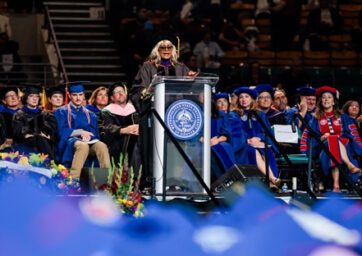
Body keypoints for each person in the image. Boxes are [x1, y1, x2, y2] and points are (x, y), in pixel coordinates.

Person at [131, 33, 197, 190]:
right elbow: (137, 89)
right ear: (157, 50)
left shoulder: (181, 68)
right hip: (154, 114)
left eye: (169, 47)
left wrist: (192, 81)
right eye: (163, 47)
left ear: (173, 50)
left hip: (175, 116)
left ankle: (175, 181)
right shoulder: (148, 67)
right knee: (154, 148)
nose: (166, 50)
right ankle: (152, 181)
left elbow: (190, 92)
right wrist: (145, 92)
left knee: (175, 148)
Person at [300, 86, 361, 192]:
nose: (326, 99)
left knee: (333, 139)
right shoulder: (315, 118)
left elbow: (353, 134)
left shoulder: (343, 117)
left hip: (344, 148)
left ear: (333, 102)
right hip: (323, 148)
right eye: (324, 97)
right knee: (331, 139)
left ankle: (336, 184)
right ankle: (348, 166)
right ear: (321, 101)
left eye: (329, 97)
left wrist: (358, 150)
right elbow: (308, 135)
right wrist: (321, 137)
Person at [54, 82, 110, 179]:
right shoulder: (61, 111)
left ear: (83, 95)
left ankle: (104, 182)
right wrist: (80, 132)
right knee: (82, 146)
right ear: (69, 95)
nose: (78, 98)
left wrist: (89, 136)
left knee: (102, 146)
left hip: (88, 141)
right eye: (75, 95)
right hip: (70, 143)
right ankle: (73, 181)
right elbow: (61, 132)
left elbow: (94, 133)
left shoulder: (90, 114)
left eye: (80, 95)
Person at [232, 86, 281, 188]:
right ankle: (272, 180)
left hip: (259, 143)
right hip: (243, 146)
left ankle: (272, 182)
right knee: (253, 151)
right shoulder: (234, 115)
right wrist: (248, 140)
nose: (244, 99)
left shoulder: (260, 114)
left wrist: (260, 139)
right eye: (241, 97)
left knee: (267, 150)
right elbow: (235, 133)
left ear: (252, 99)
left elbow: (267, 131)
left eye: (247, 97)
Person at [99, 82, 140, 172]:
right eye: (117, 92)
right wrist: (122, 130)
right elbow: (106, 129)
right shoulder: (106, 112)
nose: (120, 93)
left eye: (122, 91)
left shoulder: (134, 110)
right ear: (112, 97)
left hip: (135, 142)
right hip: (117, 143)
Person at [12, 85, 57, 159]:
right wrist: (37, 134)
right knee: (39, 138)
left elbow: (51, 132)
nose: (34, 99)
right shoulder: (19, 115)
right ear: (26, 98)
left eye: (37, 96)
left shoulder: (46, 115)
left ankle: (50, 163)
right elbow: (19, 134)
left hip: (45, 144)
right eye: (31, 96)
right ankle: (52, 164)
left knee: (41, 139)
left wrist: (37, 134)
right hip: (26, 146)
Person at [214, 92, 248, 166]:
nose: (223, 104)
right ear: (215, 105)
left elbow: (241, 132)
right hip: (227, 143)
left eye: (225, 101)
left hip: (239, 143)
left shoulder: (234, 116)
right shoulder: (216, 117)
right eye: (219, 102)